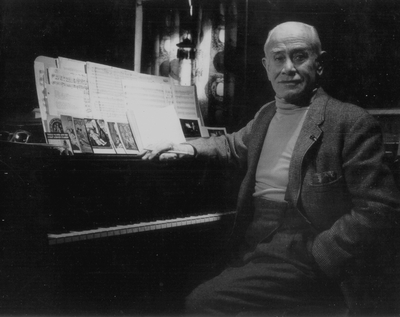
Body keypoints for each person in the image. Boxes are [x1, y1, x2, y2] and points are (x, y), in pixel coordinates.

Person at [142, 21, 400, 315]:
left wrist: (322, 252)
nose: (288, 67)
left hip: (303, 248)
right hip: (253, 238)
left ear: (320, 63)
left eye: (300, 56)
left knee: (202, 303)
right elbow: (230, 144)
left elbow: (380, 208)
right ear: (266, 66)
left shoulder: (350, 121)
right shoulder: (266, 115)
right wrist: (186, 147)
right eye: (279, 58)